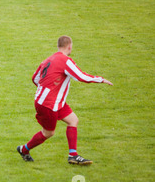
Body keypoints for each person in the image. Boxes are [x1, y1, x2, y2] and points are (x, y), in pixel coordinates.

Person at [17, 36, 113, 165]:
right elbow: (81, 76)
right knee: (49, 132)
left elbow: (35, 78)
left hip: (53, 101)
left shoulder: (47, 60)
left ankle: (73, 155)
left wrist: (46, 89)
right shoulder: (66, 61)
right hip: (49, 103)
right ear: (69, 46)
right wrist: (100, 79)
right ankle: (23, 149)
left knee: (73, 120)